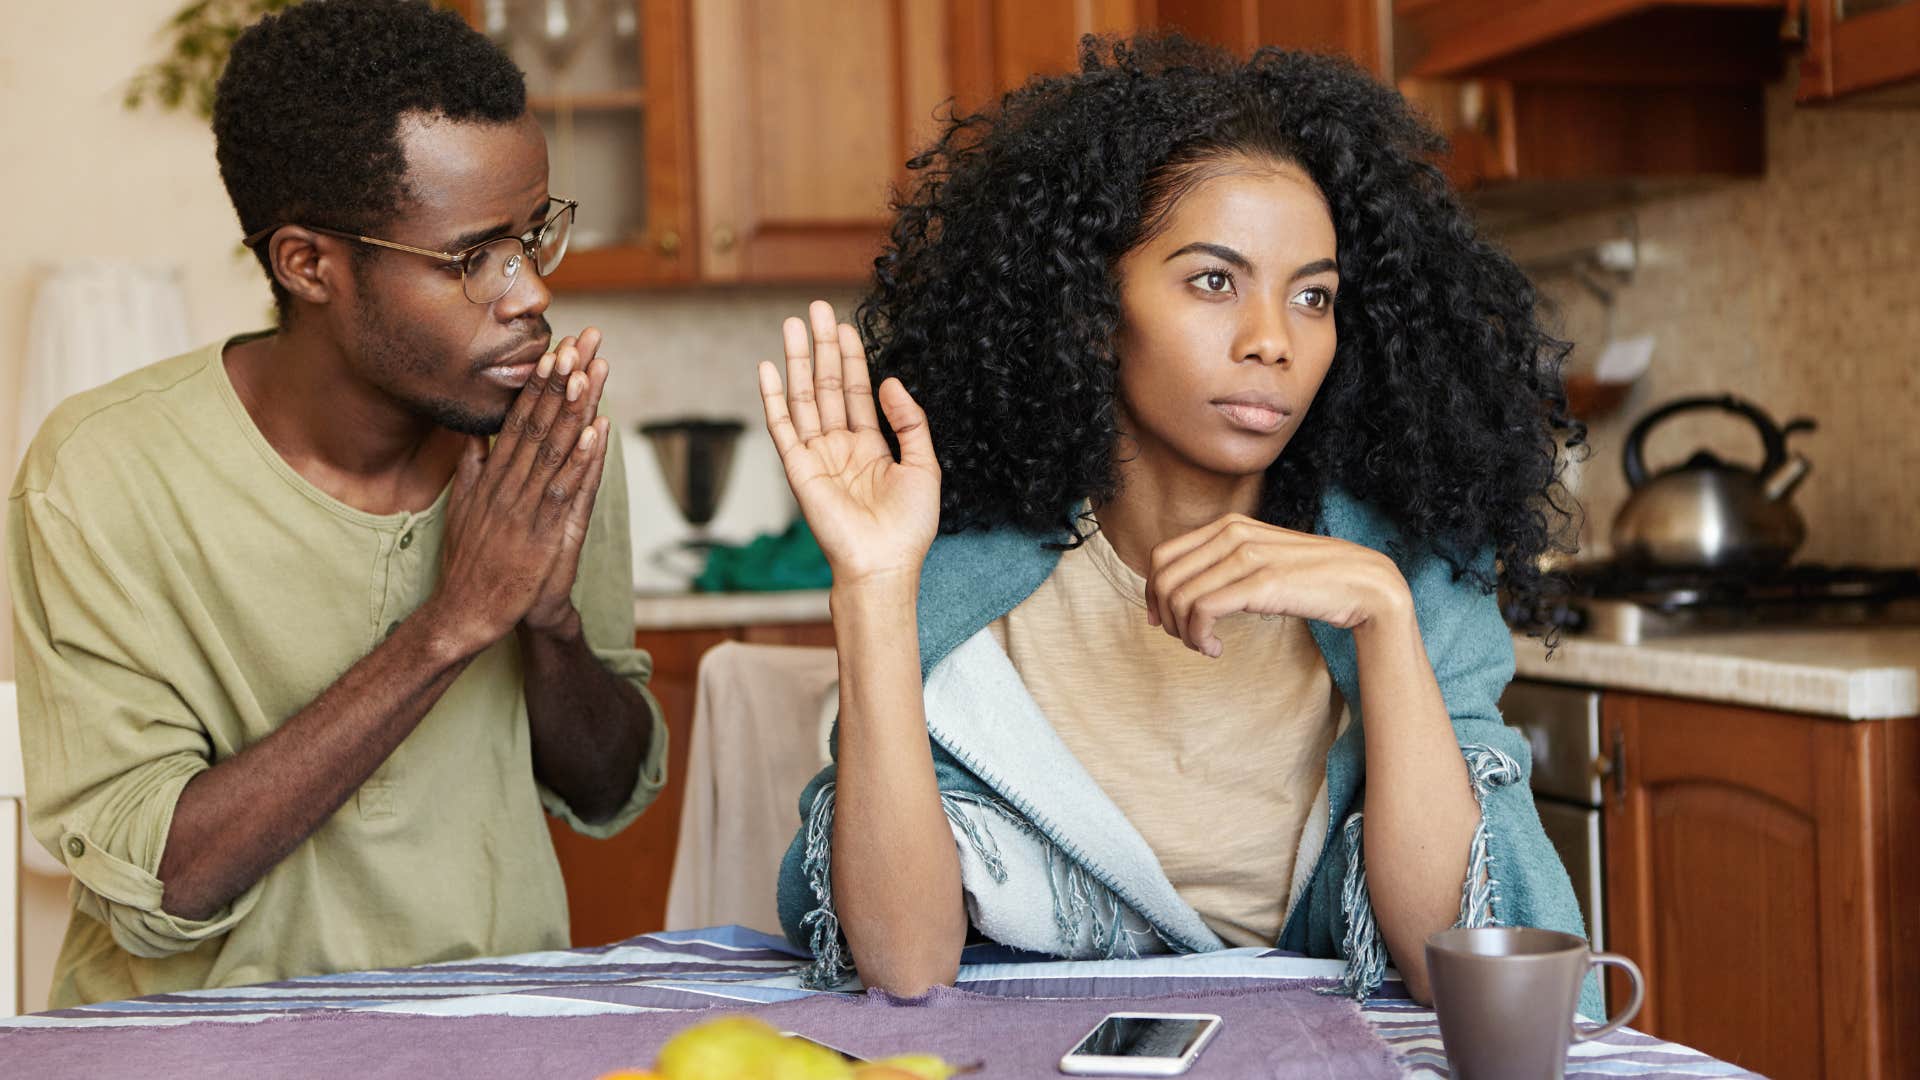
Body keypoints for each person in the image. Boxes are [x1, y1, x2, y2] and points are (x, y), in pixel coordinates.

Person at [764, 35, 1593, 1012]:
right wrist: (870, 586)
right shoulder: (965, 586)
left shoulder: (1407, 568)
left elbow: (1449, 954)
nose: (1272, 341)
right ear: (1091, 307)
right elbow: (905, 965)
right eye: (1213, 281)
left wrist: (1381, 613)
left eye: (1314, 296)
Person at [8, 0, 664, 1008]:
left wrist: (550, 623)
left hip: (494, 1034)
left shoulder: (539, 441)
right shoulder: (100, 475)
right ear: (309, 264)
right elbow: (161, 885)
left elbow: (608, 791)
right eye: (469, 258)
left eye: (532, 236)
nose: (527, 290)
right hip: (193, 1053)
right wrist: (453, 623)